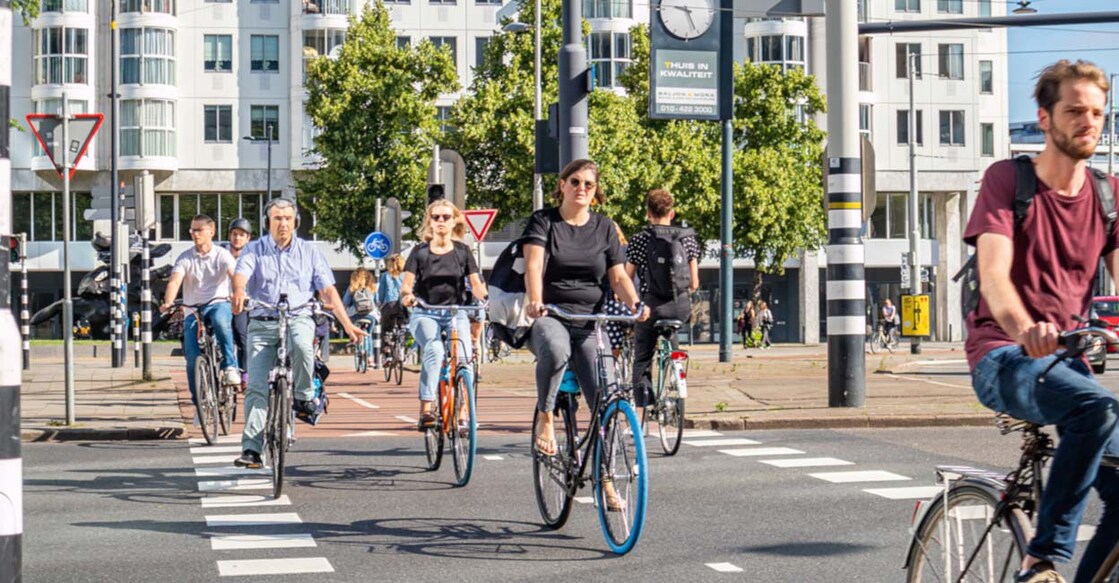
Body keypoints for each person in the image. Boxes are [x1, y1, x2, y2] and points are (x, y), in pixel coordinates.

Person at [965, 60, 1119, 583]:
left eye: (1097, 112)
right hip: (1003, 356)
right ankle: (1042, 559)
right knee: (1098, 409)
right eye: (1075, 110)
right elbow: (995, 278)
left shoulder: (1108, 195)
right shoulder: (1009, 179)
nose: (1089, 122)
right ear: (1045, 117)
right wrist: (1023, 326)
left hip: (1068, 365)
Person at [523, 159, 648, 511]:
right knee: (557, 349)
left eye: (588, 185)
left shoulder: (605, 227)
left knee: (604, 402)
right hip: (551, 315)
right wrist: (535, 300)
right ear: (562, 185)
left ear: (596, 192)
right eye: (575, 181)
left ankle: (606, 480)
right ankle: (546, 419)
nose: (581, 189)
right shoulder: (544, 222)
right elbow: (533, 265)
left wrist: (636, 304)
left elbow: (618, 277)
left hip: (589, 321)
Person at [231, 197, 365, 469]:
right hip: (263, 319)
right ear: (268, 222)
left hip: (299, 316)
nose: (283, 223)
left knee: (303, 346)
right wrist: (239, 292)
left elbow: (328, 290)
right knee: (256, 386)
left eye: (288, 218)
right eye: (277, 218)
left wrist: (347, 324)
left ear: (296, 222)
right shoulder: (254, 250)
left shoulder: (310, 251)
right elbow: (241, 275)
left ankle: (304, 396)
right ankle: (252, 449)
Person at [400, 199, 487, 429]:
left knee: (465, 360)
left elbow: (475, 283)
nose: (440, 221)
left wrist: (486, 298)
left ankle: (463, 413)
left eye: (446, 217)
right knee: (435, 348)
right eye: (436, 217)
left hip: (455, 312)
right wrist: (407, 296)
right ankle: (426, 409)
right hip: (425, 312)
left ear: (454, 221)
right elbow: (407, 285)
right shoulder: (419, 252)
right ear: (429, 221)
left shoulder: (462, 251)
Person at [624, 189, 700, 408]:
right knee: (672, 337)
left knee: (642, 356)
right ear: (672, 213)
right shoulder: (688, 239)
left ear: (648, 213)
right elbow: (694, 283)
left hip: (650, 307)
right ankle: (675, 370)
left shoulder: (640, 240)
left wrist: (631, 302)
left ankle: (644, 404)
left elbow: (627, 278)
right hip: (680, 307)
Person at [159, 214, 240, 414]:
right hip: (192, 308)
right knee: (192, 359)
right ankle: (200, 406)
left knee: (221, 322)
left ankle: (230, 366)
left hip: (218, 302)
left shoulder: (222, 255)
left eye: (199, 230)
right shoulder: (185, 257)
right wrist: (168, 302)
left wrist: (238, 293)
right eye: (192, 230)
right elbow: (175, 281)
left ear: (211, 232)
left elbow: (234, 275)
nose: (194, 234)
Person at [225, 218, 253, 389]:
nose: (237, 238)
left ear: (248, 238)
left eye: (241, 235)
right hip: (223, 301)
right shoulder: (222, 254)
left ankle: (245, 373)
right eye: (235, 234)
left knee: (242, 335)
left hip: (244, 303)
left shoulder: (252, 256)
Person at [343, 267, 379, 366]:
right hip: (370, 315)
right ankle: (371, 359)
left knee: (355, 328)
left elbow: (345, 303)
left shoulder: (352, 287)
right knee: (369, 335)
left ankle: (354, 339)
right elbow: (377, 302)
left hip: (355, 315)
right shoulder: (372, 287)